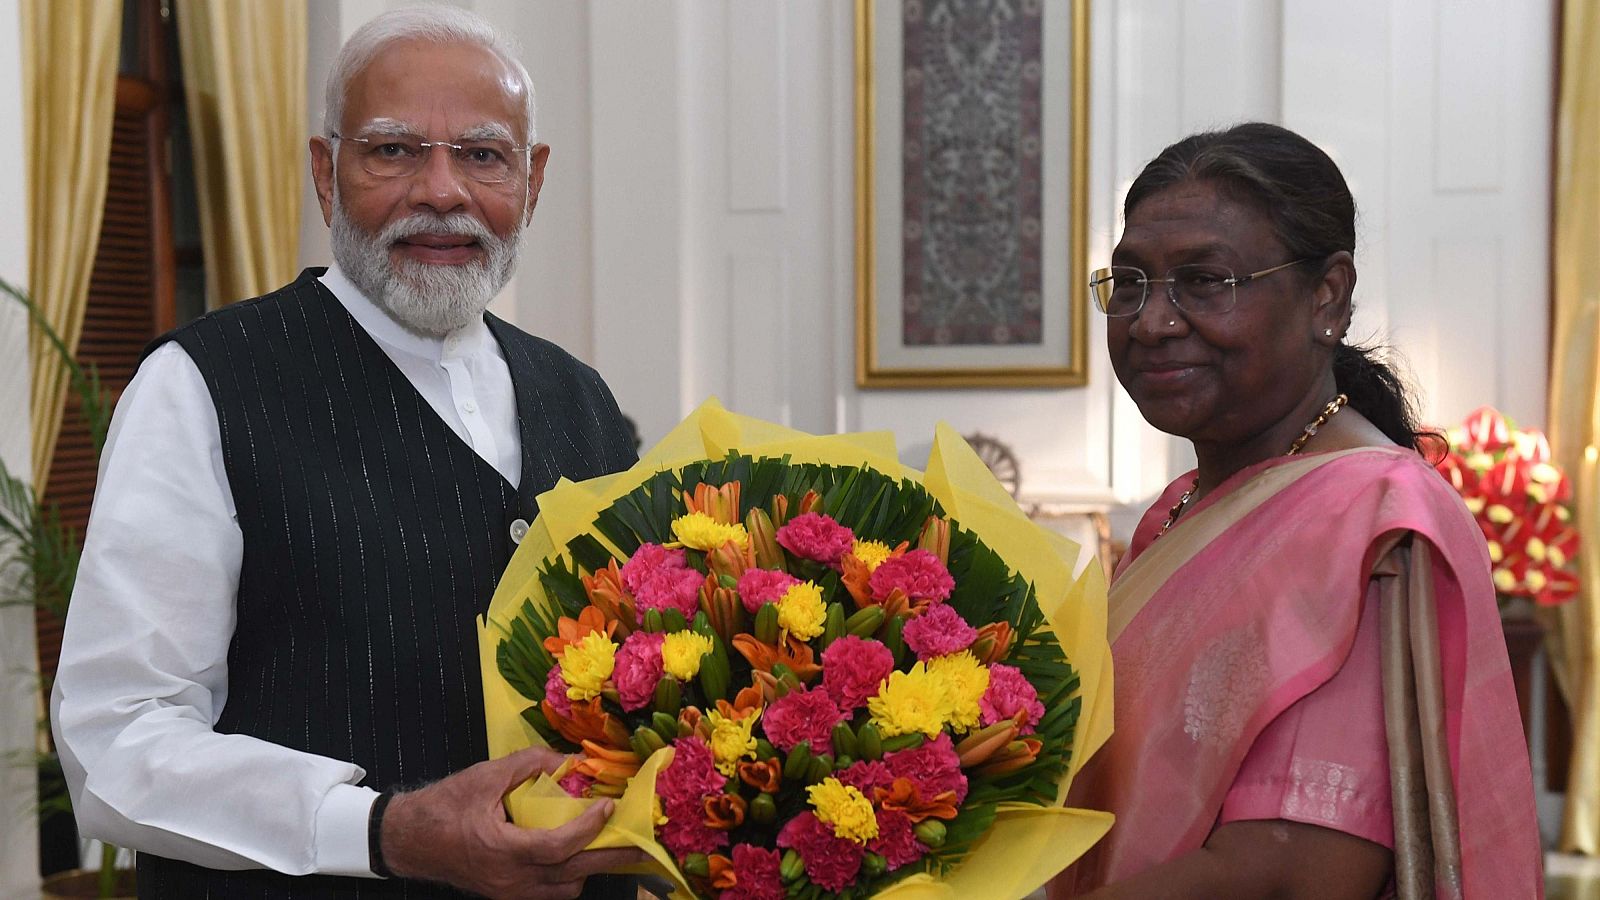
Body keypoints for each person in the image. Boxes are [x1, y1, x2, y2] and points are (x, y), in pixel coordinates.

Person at [51, 7, 648, 898]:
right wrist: (382, 831)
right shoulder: (201, 386)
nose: (441, 191)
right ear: (327, 175)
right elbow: (117, 741)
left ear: (532, 181)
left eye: (483, 155)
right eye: (395, 151)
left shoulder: (584, 399)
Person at [1051, 123, 1542, 898]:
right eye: (1132, 282)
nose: (1150, 322)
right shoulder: (1174, 514)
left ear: (1327, 295)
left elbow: (1293, 873)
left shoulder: (1376, 519)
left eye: (1206, 282)